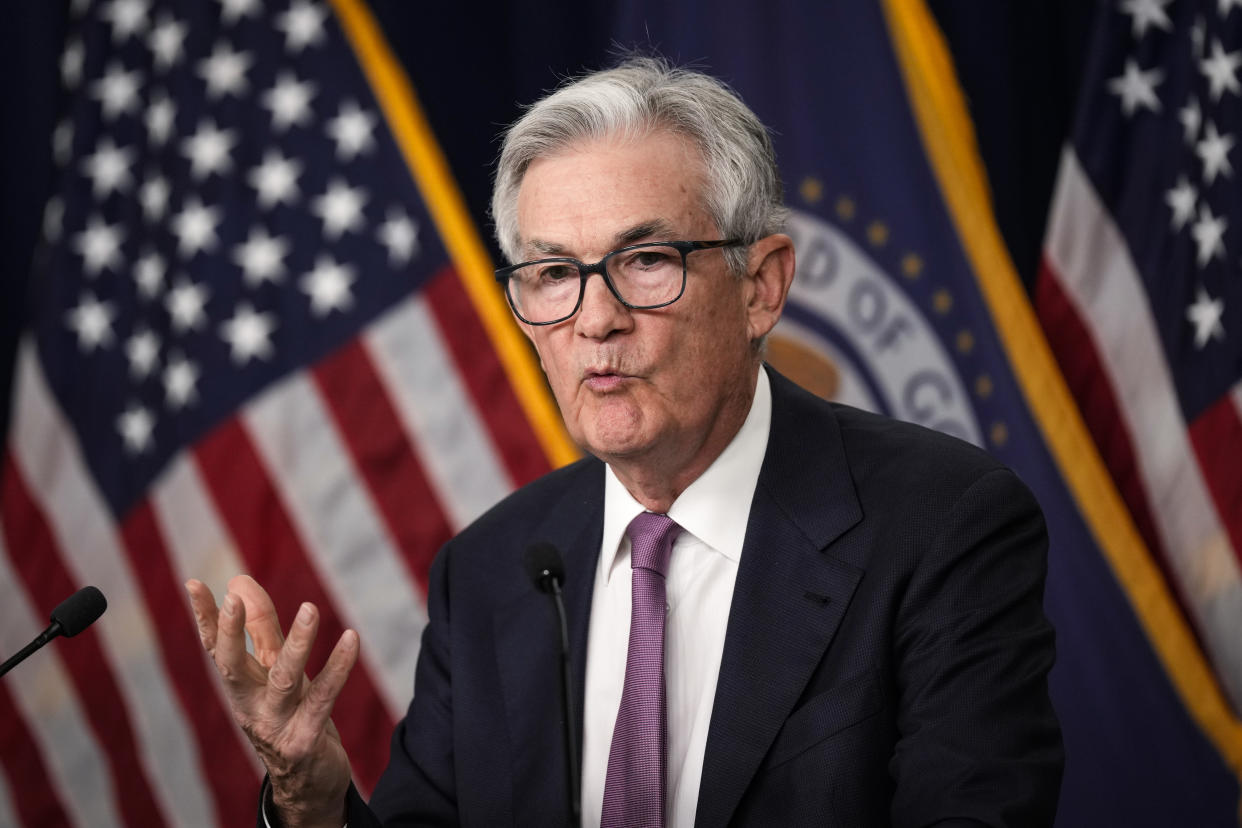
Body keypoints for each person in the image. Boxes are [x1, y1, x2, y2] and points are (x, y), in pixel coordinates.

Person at [186, 57, 1063, 827]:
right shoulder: (490, 570)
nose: (595, 320)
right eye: (555, 274)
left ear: (761, 287)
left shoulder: (943, 524)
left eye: (646, 260)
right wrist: (314, 805)